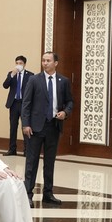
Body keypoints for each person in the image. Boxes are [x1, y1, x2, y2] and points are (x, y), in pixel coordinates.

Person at [21, 51, 74, 207]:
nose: (45, 63)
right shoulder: (34, 80)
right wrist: (25, 124)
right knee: (32, 162)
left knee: (49, 162)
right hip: (35, 127)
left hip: (54, 126)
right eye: (43, 60)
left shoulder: (63, 81)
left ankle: (48, 193)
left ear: (55, 63)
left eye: (48, 61)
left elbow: (70, 101)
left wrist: (65, 113)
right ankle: (28, 194)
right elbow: (26, 103)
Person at [3, 55, 33, 156]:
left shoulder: (30, 75)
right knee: (13, 127)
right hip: (14, 103)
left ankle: (27, 150)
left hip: (25, 104)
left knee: (25, 126)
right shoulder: (11, 74)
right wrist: (12, 74)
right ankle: (12, 149)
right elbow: (5, 85)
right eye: (17, 63)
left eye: (20, 63)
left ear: (24, 64)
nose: (18, 65)